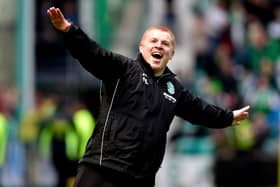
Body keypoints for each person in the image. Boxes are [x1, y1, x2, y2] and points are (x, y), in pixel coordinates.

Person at [47, 6, 250, 187]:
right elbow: (92, 53)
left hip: (140, 178)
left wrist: (228, 117)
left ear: (171, 53)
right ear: (141, 48)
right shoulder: (123, 68)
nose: (159, 46)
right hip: (102, 167)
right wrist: (69, 30)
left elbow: (200, 111)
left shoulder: (175, 89)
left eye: (165, 44)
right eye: (153, 41)